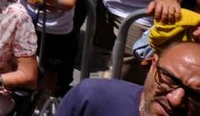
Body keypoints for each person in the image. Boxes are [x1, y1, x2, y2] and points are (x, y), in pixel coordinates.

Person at [54, 40, 200, 116]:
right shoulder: (91, 97)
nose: (176, 100)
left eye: (195, 94)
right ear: (152, 65)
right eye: (170, 79)